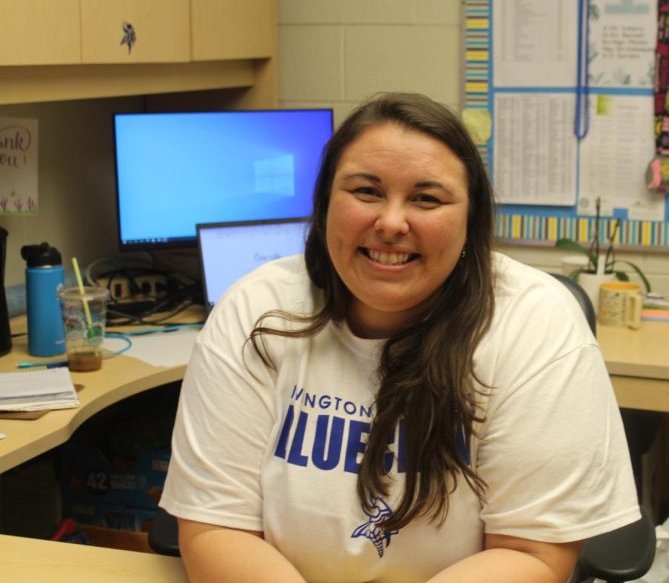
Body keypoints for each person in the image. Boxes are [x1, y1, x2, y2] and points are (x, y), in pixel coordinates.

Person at [159, 92, 639, 582]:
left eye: (426, 198)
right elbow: (215, 528)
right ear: (325, 203)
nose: (390, 223)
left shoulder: (536, 324)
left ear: (470, 221)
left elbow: (531, 555)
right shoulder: (256, 310)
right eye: (366, 191)